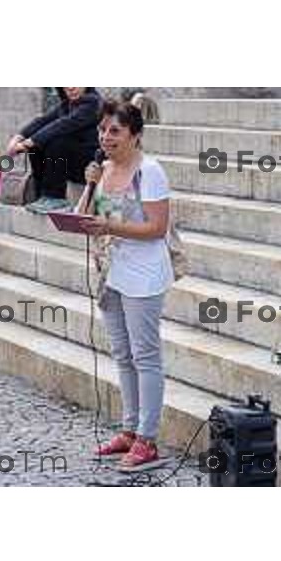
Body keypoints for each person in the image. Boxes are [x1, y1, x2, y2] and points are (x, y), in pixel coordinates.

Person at [76, 100, 174, 471]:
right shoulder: (102, 170)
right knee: (122, 353)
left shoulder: (150, 171)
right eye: (102, 130)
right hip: (110, 272)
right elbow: (83, 217)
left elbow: (156, 228)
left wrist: (111, 228)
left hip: (144, 275)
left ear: (135, 134)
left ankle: (147, 440)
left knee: (145, 356)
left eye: (114, 131)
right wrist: (88, 186)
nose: (105, 137)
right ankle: (129, 429)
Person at [6, 87, 101, 214]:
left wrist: (29, 142)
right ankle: (41, 194)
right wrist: (18, 137)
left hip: (88, 162)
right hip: (68, 160)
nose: (71, 87)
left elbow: (63, 124)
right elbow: (42, 121)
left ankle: (55, 196)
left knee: (57, 141)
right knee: (39, 145)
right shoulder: (67, 104)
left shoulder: (93, 103)